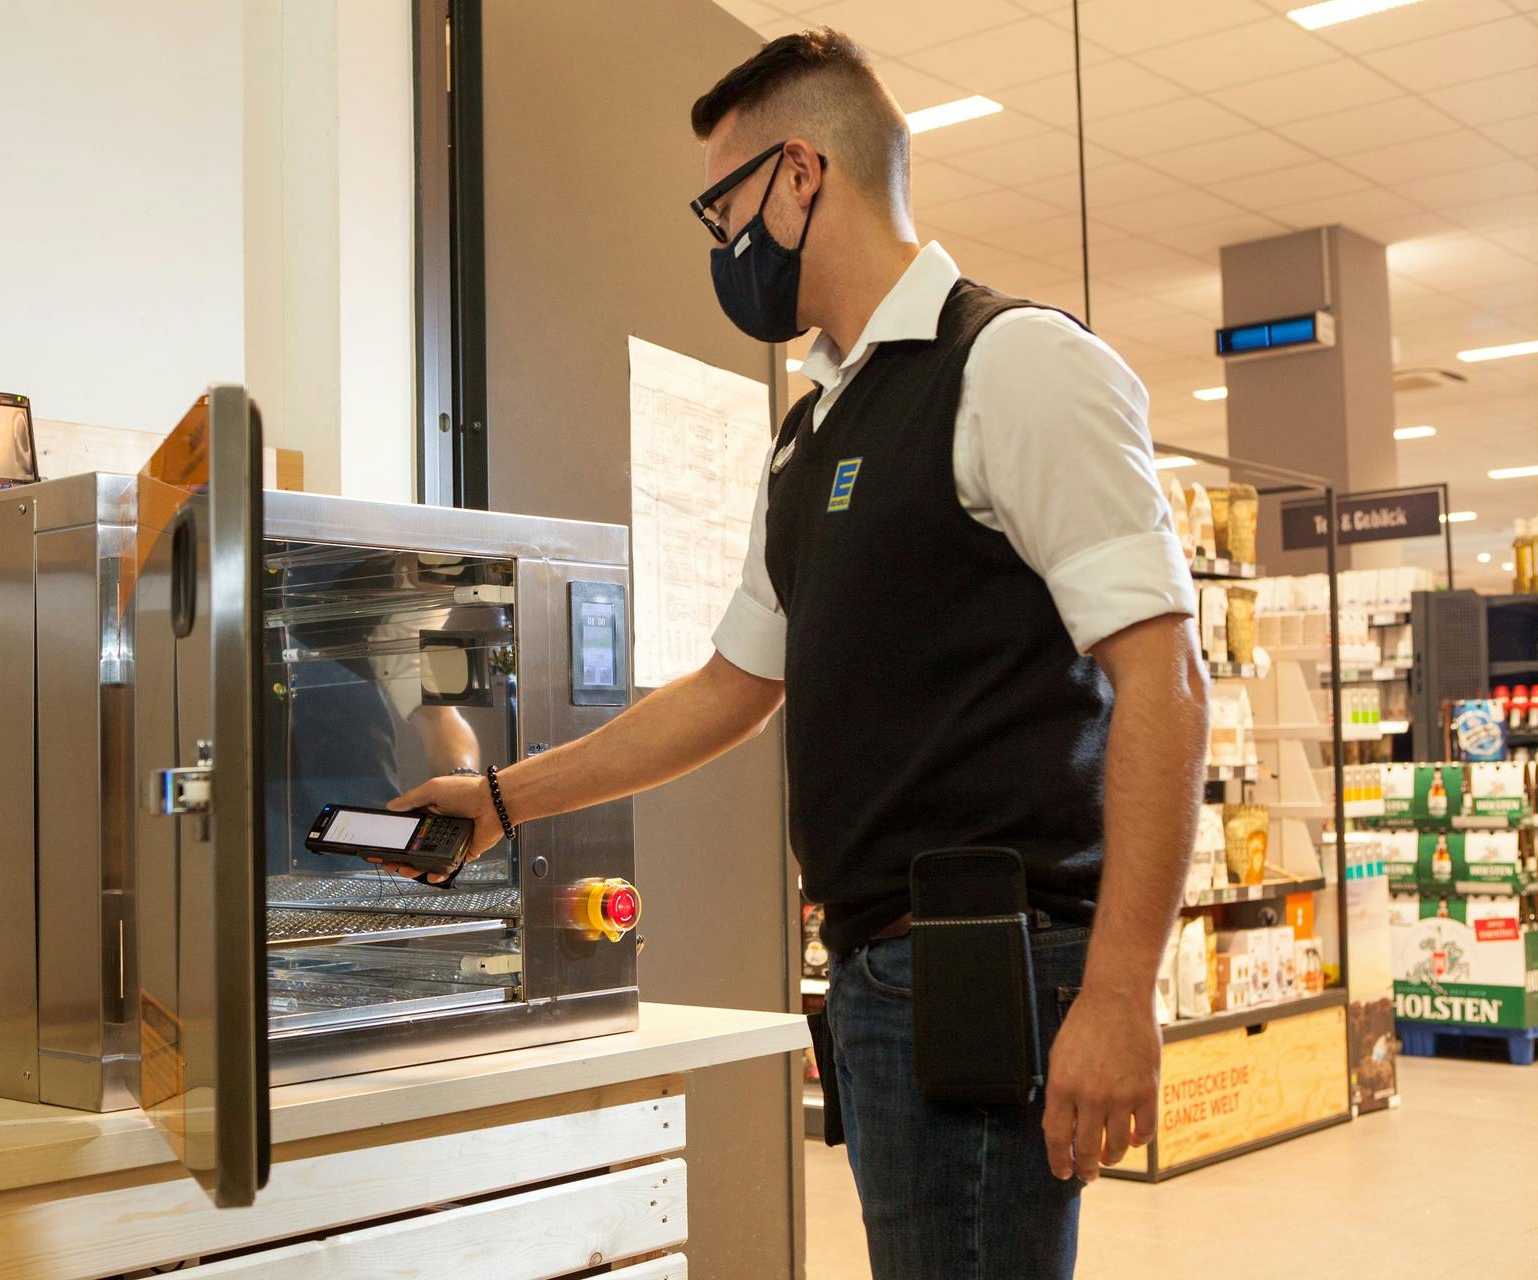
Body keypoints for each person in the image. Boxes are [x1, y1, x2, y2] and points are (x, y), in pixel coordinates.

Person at [385, 27, 1206, 1279]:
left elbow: (1165, 674)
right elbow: (731, 687)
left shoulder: (1016, 365)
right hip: (880, 975)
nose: (721, 243)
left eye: (724, 203)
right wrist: (505, 800)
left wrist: (1121, 991)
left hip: (990, 960)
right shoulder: (811, 429)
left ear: (802, 172)